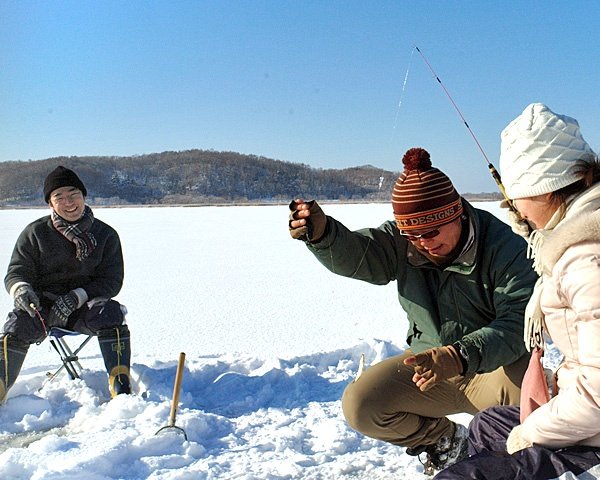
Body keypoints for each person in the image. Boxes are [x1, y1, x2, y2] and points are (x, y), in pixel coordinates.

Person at [288, 147, 538, 475]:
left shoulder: (504, 246)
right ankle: (446, 442)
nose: (423, 242)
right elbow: (363, 257)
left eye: (432, 231)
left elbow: (518, 321)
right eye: (412, 234)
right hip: (430, 369)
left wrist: (461, 355)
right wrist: (324, 236)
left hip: (494, 369)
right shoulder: (404, 241)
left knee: (538, 413)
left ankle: (510, 465)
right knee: (361, 404)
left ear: (456, 213)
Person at [435, 103, 600, 479]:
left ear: (545, 190)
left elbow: (597, 397)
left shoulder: (586, 259)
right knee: (487, 425)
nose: (514, 208)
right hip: (584, 412)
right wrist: (537, 232)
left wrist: (528, 433)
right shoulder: (575, 233)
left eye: (517, 197)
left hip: (593, 430)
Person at [1, 165, 131, 402]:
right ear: (50, 203)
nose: (69, 203)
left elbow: (112, 280)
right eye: (59, 197)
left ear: (84, 196)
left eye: (74, 195)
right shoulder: (35, 233)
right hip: (41, 309)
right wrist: (21, 290)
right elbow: (17, 272)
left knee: (111, 313)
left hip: (84, 310)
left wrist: (78, 296)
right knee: (17, 324)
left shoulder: (105, 234)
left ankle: (119, 381)